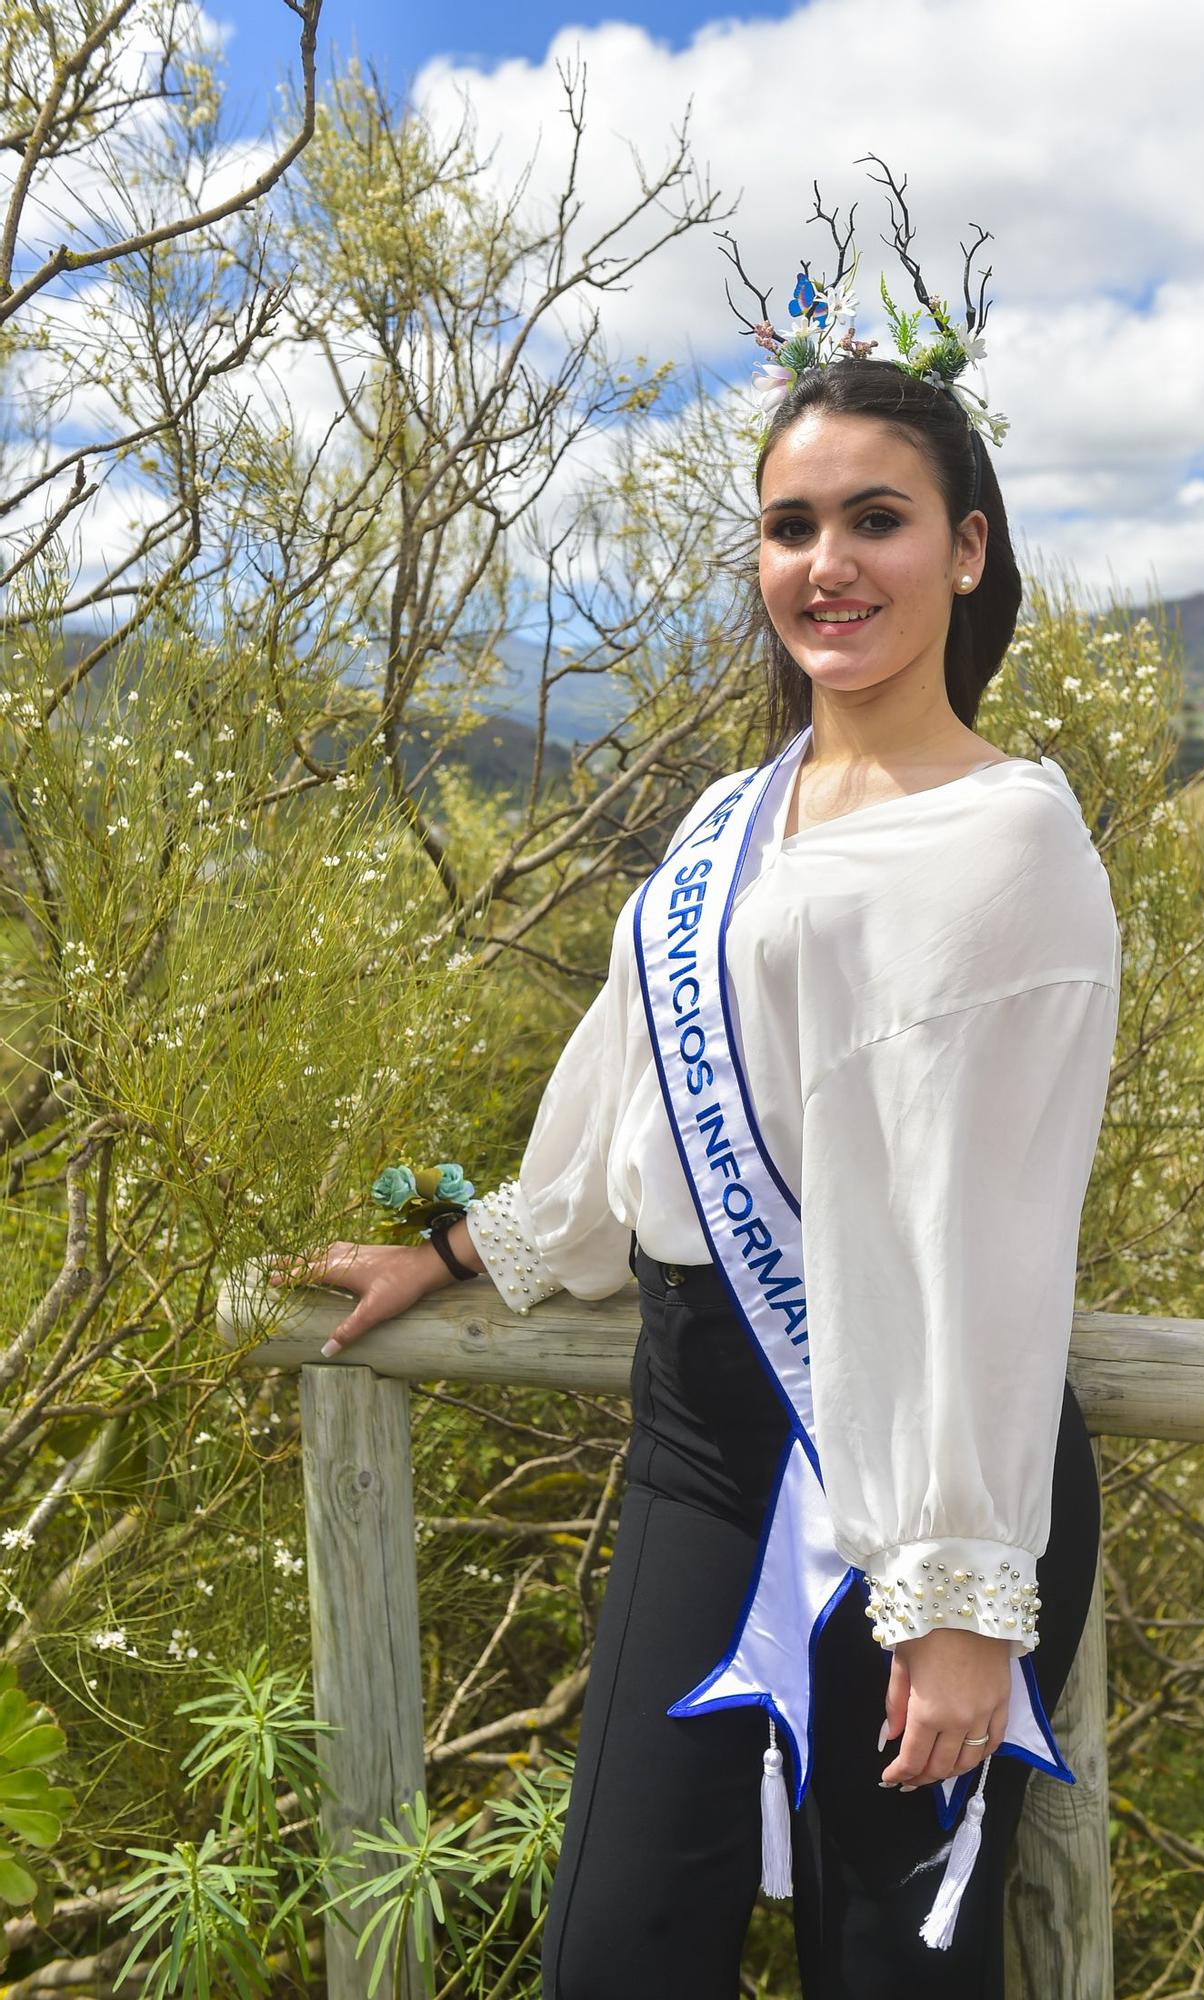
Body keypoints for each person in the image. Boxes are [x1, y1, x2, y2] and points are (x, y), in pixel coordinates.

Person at [270, 325, 1120, 1998]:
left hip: (912, 1485)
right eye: (792, 526)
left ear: (966, 548)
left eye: (877, 519)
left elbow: (989, 1233)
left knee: (895, 1972)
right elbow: (631, 1094)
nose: (828, 565)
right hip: (699, 1443)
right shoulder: (733, 813)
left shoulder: (1013, 837)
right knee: (617, 1952)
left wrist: (959, 1589)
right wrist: (460, 1247)